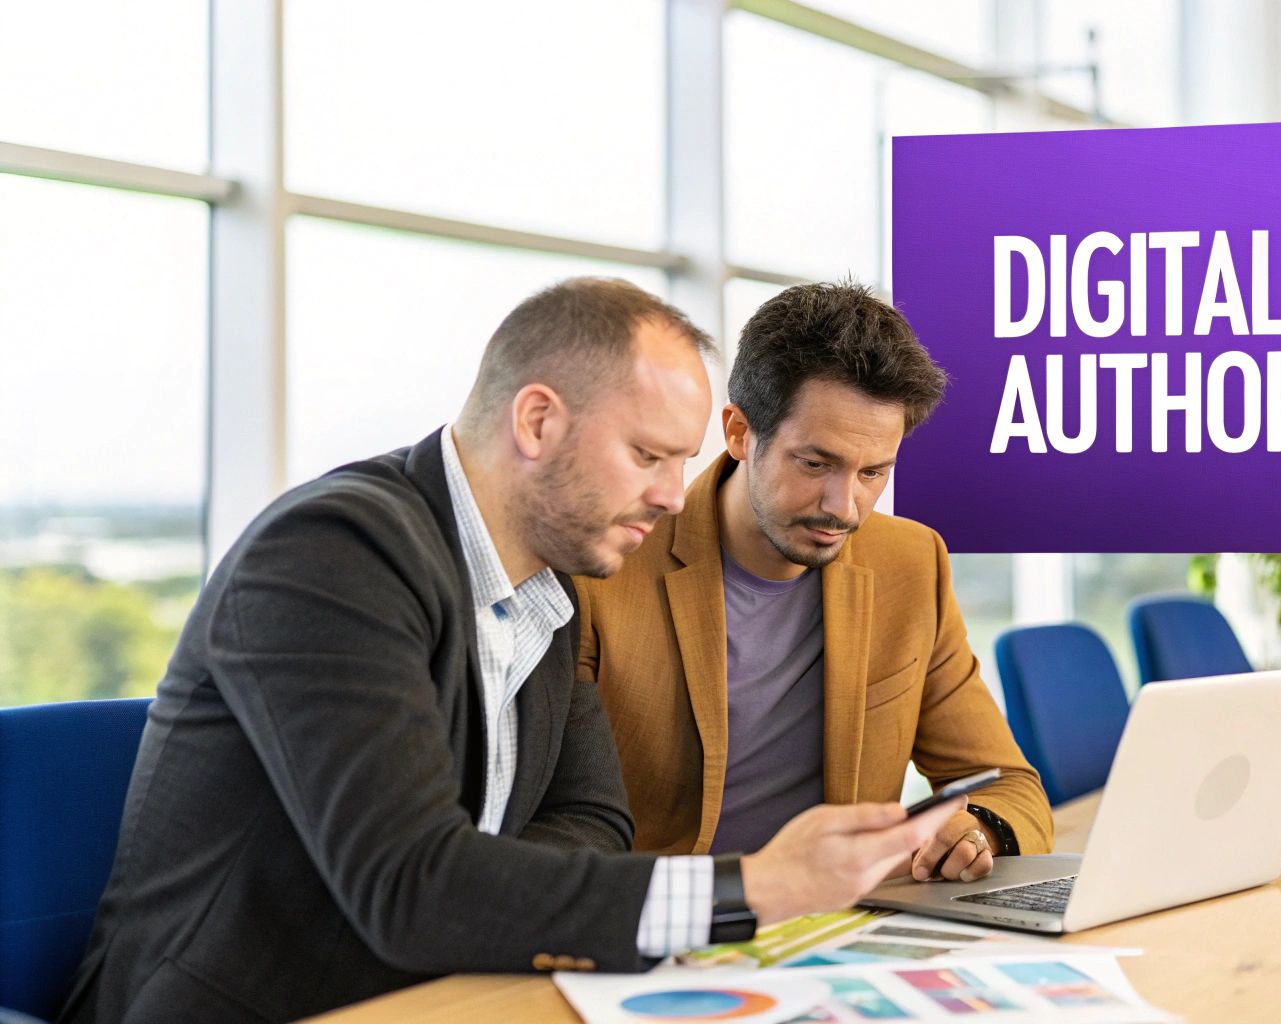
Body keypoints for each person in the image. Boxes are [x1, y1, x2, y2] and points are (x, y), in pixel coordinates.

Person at [60, 278, 961, 1024]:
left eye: (679, 462)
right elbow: (410, 883)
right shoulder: (332, 553)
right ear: (537, 423)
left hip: (450, 992)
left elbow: (596, 823)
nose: (669, 494)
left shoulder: (548, 587)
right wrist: (756, 886)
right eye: (649, 455)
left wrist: (476, 884)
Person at [575, 281, 1052, 885]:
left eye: (873, 471)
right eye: (815, 463)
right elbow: (555, 827)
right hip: (663, 927)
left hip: (845, 923)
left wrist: (972, 829)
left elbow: (1011, 785)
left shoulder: (911, 563)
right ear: (740, 432)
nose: (844, 507)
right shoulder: (606, 567)